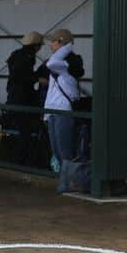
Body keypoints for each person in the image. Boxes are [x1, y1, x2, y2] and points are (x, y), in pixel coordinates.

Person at [44, 29, 80, 173]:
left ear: (61, 43)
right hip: (52, 108)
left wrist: (68, 45)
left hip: (63, 109)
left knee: (64, 150)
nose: (50, 45)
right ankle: (64, 180)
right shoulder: (60, 62)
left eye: (53, 42)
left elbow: (51, 64)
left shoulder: (67, 63)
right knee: (56, 150)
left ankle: (69, 180)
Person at [6, 32, 44, 164]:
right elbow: (20, 77)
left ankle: (20, 159)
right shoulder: (26, 58)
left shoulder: (17, 55)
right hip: (20, 99)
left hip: (16, 98)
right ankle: (21, 160)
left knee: (23, 132)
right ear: (35, 46)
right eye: (39, 46)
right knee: (25, 133)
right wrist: (36, 78)